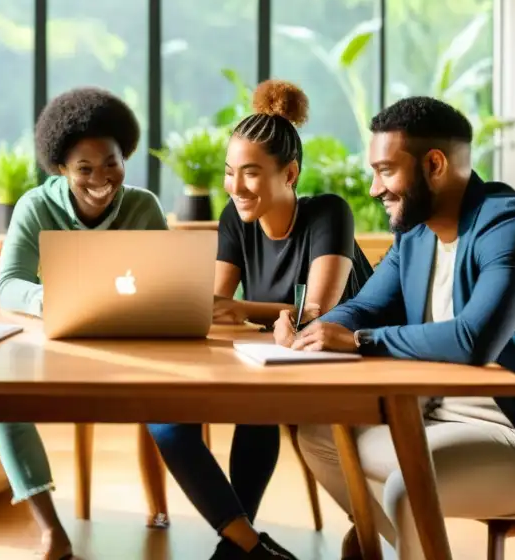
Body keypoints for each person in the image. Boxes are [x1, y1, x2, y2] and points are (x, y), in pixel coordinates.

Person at [287, 97, 515, 560]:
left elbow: (472, 340)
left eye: (385, 170)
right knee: (318, 436)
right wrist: (314, 330)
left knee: (406, 491)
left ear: (435, 164)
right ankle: (403, 549)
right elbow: (364, 307)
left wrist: (360, 341)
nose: (374, 187)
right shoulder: (416, 234)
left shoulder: (509, 226)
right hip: (437, 418)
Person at [148, 80, 374, 560]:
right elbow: (216, 305)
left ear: (289, 173)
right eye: (230, 173)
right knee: (164, 419)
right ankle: (245, 545)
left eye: (250, 174)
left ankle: (237, 551)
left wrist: (245, 312)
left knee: (257, 408)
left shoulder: (329, 214)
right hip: (278, 356)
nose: (236, 187)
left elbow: (319, 312)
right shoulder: (236, 217)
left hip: (349, 360)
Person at [0, 86, 169, 560]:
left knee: (178, 394)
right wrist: (55, 298)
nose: (101, 179)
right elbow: (8, 285)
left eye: (111, 163)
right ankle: (50, 527)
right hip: (61, 342)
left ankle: (173, 508)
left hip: (135, 346)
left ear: (125, 155)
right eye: (84, 169)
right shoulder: (35, 207)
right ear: (61, 168)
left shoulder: (144, 207)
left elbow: (167, 283)